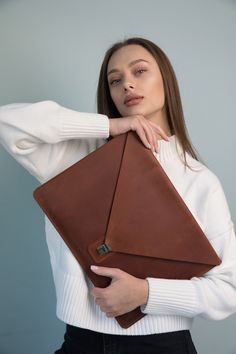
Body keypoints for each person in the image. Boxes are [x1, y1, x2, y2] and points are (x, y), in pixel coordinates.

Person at [0, 37, 236, 354]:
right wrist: (108, 126)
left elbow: (229, 289)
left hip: (163, 346)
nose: (127, 85)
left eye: (139, 71)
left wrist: (146, 294)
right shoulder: (76, 156)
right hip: (80, 343)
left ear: (166, 80)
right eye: (115, 80)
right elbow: (7, 122)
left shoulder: (200, 181)